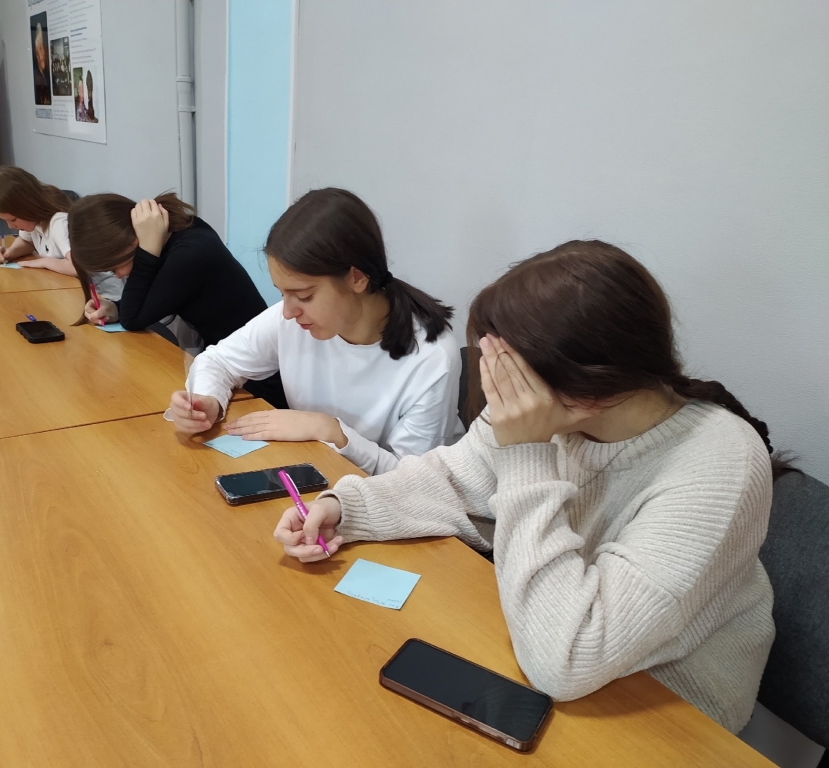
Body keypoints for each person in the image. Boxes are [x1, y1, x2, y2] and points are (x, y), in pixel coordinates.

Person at [275, 239, 784, 733]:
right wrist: (347, 508)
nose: (497, 388)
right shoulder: (560, 409)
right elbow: (451, 479)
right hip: (545, 647)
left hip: (665, 712)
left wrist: (526, 452)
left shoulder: (720, 464)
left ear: (589, 388)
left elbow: (567, 659)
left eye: (508, 373)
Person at [170, 188, 463, 475]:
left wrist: (331, 431)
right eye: (282, 293)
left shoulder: (432, 357)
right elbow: (219, 361)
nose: (288, 312)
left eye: (304, 295)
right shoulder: (293, 320)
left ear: (357, 278)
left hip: (385, 498)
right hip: (319, 475)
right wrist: (207, 401)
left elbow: (412, 480)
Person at [67, 192, 287, 405]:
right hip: (223, 366)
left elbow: (132, 318)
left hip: (254, 379)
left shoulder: (190, 252)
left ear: (134, 242)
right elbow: (158, 297)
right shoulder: (179, 235)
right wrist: (115, 307)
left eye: (116, 267)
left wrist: (147, 250)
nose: (118, 275)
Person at [0, 166, 122, 299]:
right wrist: (10, 253)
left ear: (27, 206)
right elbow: (27, 241)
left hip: (105, 297)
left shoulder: (59, 224)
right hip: (72, 291)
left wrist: (45, 262)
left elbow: (77, 267)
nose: (10, 226)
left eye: (13, 219)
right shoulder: (33, 222)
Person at [32, 22, 51, 105]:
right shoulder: (36, 78)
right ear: (36, 54)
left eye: (43, 46)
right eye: (40, 48)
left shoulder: (48, 74)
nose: (42, 52)